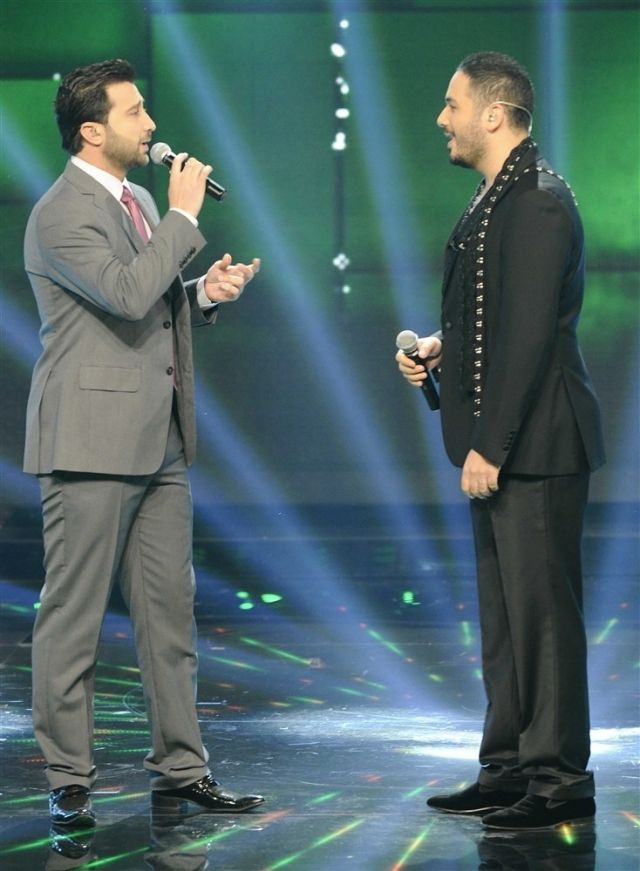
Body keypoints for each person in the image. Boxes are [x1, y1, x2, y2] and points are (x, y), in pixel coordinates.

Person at [24, 58, 264, 828]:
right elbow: (126, 295)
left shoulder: (137, 202)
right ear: (93, 131)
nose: (152, 125)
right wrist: (184, 219)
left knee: (169, 612)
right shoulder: (61, 213)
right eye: (135, 113)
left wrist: (201, 294)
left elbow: (148, 302)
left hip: (159, 439)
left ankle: (182, 768)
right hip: (89, 441)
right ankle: (69, 777)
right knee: (75, 616)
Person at [396, 52, 605, 831]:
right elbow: (493, 313)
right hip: (511, 440)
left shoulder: (539, 201)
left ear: (493, 114)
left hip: (539, 445)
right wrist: (441, 347)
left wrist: (491, 443)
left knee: (542, 619)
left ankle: (557, 780)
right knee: (506, 618)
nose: (442, 119)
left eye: (452, 105)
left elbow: (528, 338)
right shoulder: (498, 195)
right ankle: (509, 765)